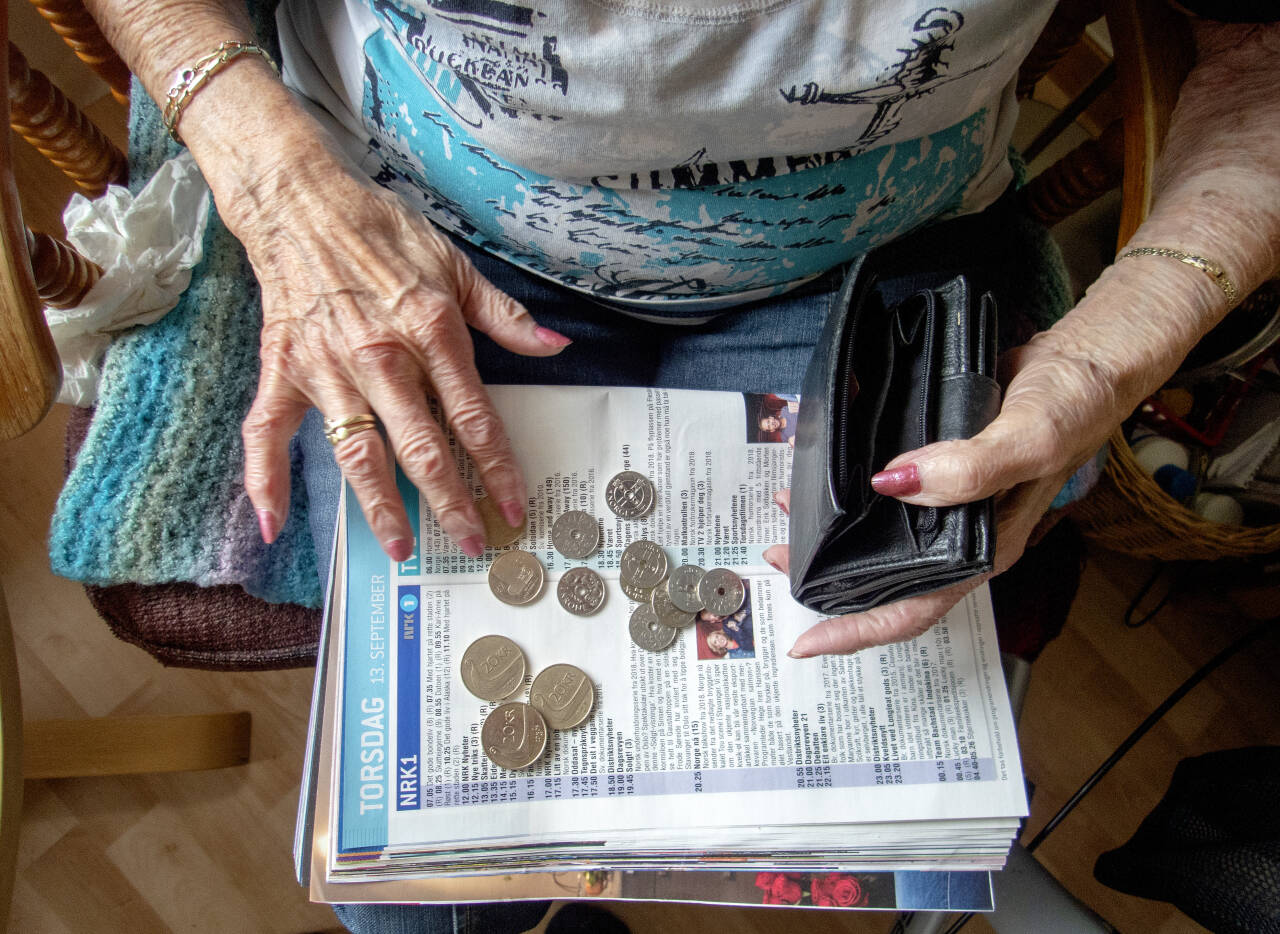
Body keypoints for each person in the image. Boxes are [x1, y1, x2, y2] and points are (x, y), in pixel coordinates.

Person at [81, 0, 1279, 929]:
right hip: (410, 235)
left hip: (867, 276)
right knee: (413, 890)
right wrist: (272, 178)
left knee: (858, 788)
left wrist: (1106, 363)